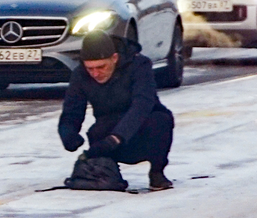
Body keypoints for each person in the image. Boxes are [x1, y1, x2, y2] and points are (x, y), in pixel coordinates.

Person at [59, 31, 175, 191]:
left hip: (142, 125)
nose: (95, 74)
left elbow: (142, 104)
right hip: (107, 124)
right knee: (96, 133)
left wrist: (116, 138)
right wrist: (68, 134)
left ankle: (157, 172)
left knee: (161, 120)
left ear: (115, 58)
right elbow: (72, 109)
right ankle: (108, 172)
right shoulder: (80, 75)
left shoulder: (139, 66)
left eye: (101, 67)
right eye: (90, 69)